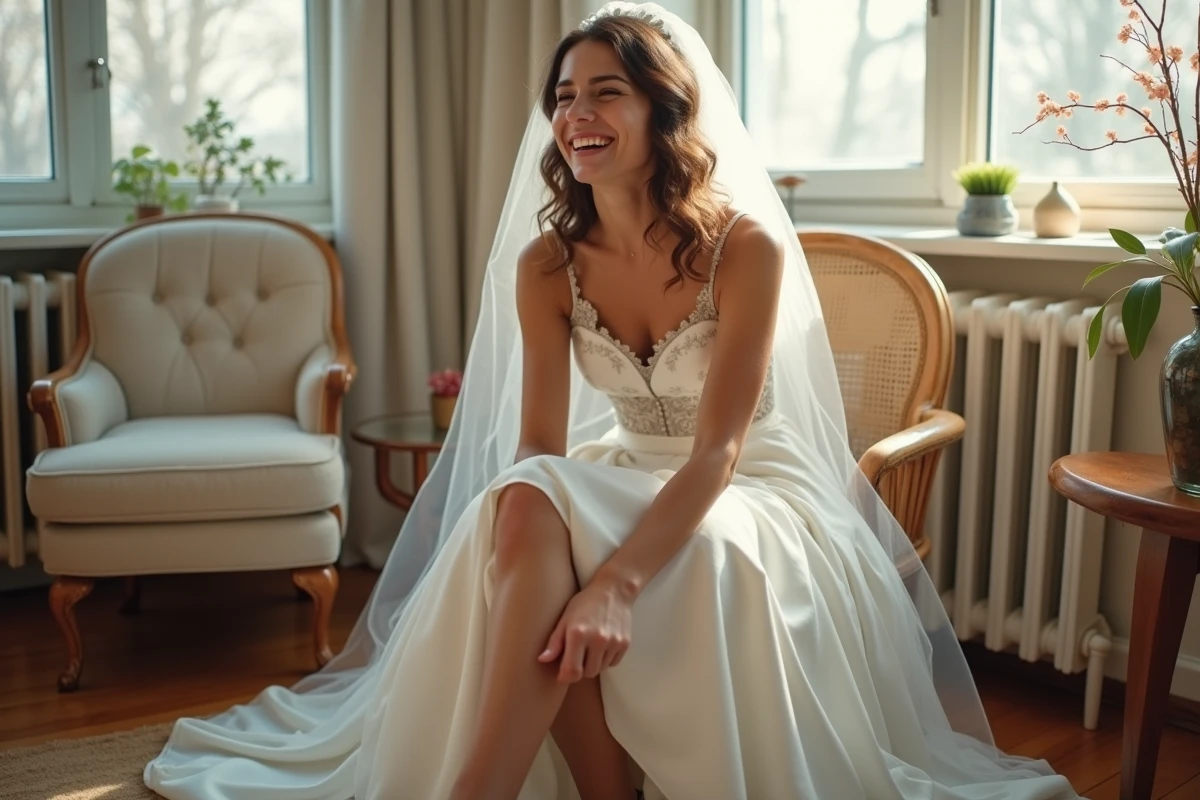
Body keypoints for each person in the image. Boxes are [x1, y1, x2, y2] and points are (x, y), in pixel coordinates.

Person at [144, 4, 1082, 799]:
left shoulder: (742, 248)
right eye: (562, 97)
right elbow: (540, 449)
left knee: (683, 552)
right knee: (520, 505)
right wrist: (553, 549)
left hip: (748, 480)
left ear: (662, 109)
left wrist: (611, 585)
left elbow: (718, 452)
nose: (575, 115)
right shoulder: (546, 266)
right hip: (620, 468)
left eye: (605, 92)